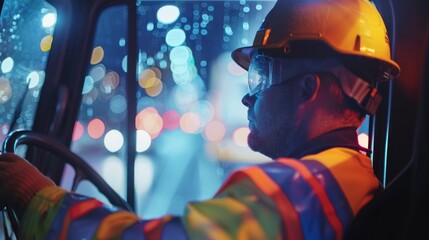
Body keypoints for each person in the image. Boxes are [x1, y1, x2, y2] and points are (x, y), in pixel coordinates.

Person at [0, 0, 400, 239]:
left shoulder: (290, 192)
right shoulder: (352, 179)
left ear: (306, 90)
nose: (248, 95)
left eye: (260, 76)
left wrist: (36, 197)